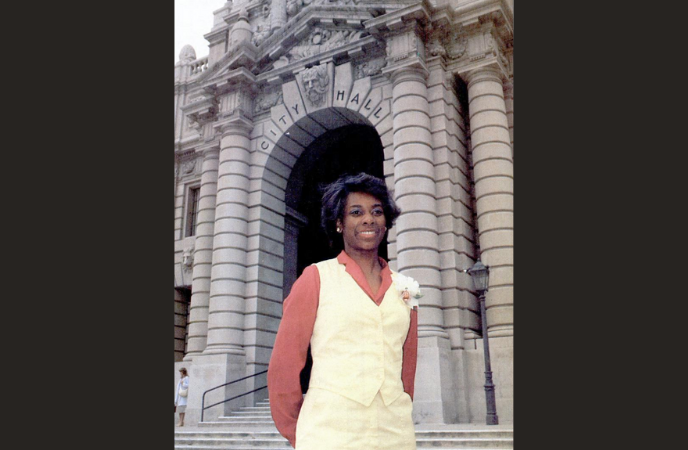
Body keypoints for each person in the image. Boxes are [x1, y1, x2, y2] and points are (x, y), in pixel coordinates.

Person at [268, 172, 419, 449]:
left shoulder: (407, 287)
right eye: (356, 212)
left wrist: (403, 407)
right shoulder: (315, 277)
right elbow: (284, 366)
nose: (368, 220)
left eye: (377, 212)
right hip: (329, 434)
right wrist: (297, 432)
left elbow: (407, 365)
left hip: (395, 434)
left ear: (386, 221)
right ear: (339, 223)